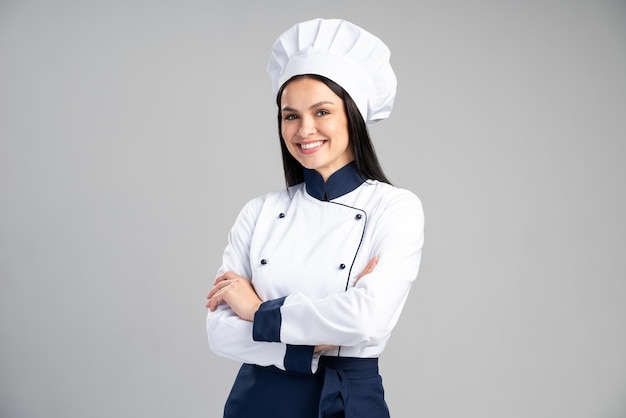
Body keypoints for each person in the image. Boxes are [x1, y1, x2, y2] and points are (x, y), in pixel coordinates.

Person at [205, 17, 424, 418]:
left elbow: (366, 319)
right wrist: (315, 340)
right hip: (255, 403)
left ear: (351, 116)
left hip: (344, 403)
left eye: (321, 111)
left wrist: (256, 312)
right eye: (290, 116)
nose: (305, 129)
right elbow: (219, 332)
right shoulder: (259, 212)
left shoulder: (395, 207)